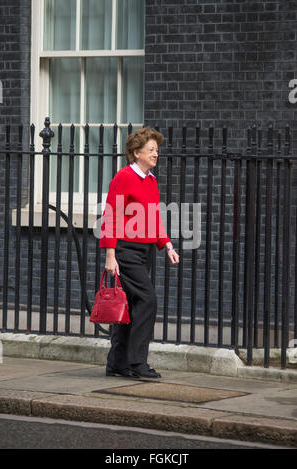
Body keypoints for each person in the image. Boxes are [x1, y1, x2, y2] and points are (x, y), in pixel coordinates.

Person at [99, 127, 179, 379]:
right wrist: (110, 256)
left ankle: (117, 363)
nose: (156, 153)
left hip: (145, 250)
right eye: (151, 149)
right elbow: (111, 215)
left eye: (157, 149)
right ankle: (136, 363)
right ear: (136, 152)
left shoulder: (151, 179)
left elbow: (152, 216)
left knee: (132, 304)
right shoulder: (124, 177)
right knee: (147, 300)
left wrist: (167, 244)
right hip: (125, 249)